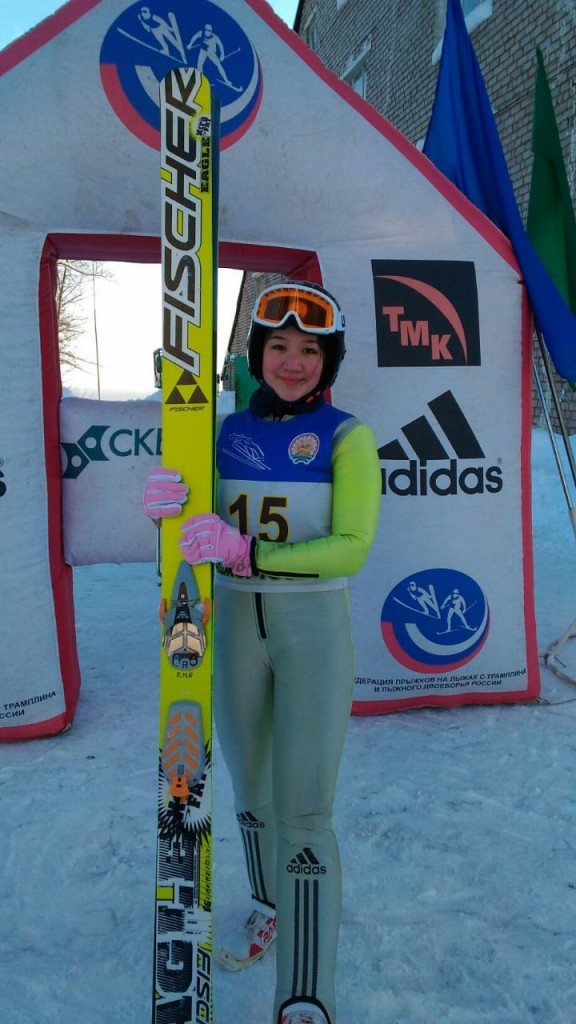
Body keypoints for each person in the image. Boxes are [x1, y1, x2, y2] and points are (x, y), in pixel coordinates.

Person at [144, 280, 381, 1024]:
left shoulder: (347, 436)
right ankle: (273, 903)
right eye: (278, 345)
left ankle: (306, 993)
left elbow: (352, 546)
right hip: (237, 629)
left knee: (304, 808)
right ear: (257, 354)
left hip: (313, 631)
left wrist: (250, 552)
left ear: (328, 362)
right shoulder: (221, 430)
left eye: (310, 350)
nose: (292, 361)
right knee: (250, 791)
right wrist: (165, 512)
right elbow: (194, 528)